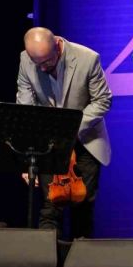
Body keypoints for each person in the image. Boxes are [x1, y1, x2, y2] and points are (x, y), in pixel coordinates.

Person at [17, 27, 112, 239]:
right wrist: (27, 158)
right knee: (50, 208)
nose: (42, 68)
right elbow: (26, 109)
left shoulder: (88, 58)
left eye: (47, 62)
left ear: (57, 47)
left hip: (85, 138)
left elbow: (103, 100)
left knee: (82, 209)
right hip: (49, 141)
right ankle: (49, 258)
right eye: (37, 63)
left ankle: (81, 258)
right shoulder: (25, 60)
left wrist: (69, 129)